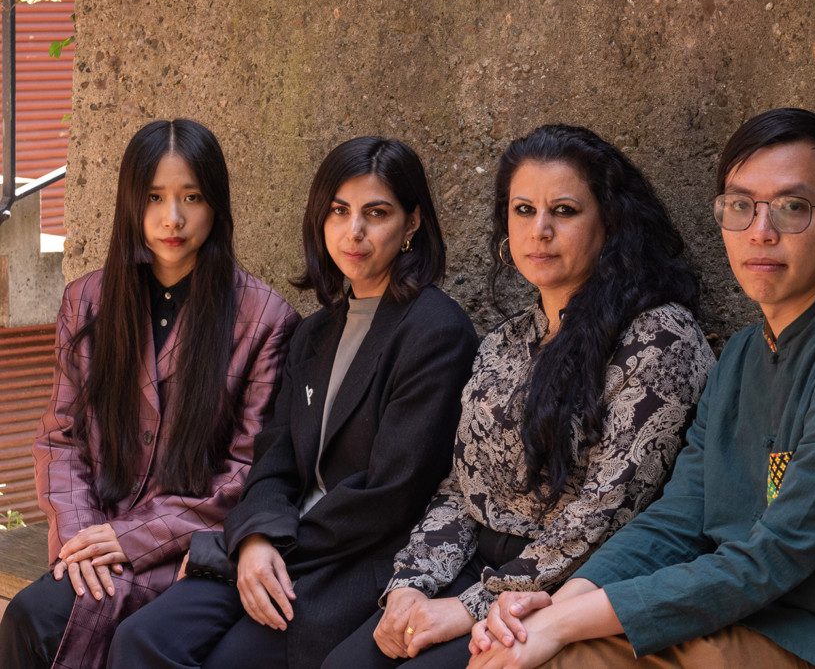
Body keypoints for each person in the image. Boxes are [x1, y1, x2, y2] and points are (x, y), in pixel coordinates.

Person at [468, 108, 815, 668]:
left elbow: (772, 557)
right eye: (741, 206)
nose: (760, 232)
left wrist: (560, 625)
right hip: (733, 620)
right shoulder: (742, 353)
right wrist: (555, 601)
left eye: (792, 208)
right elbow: (679, 518)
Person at [325, 124, 715, 668]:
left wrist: (467, 609)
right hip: (467, 568)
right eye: (524, 211)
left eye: (565, 211)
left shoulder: (659, 338)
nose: (541, 231)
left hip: (559, 589)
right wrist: (411, 586)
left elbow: (612, 510)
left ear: (610, 220)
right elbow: (460, 491)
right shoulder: (504, 344)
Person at [107, 136, 479, 669]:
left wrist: (258, 549)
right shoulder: (314, 332)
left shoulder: (436, 332)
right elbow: (274, 458)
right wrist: (255, 537)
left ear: (412, 223)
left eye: (376, 213)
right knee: (141, 640)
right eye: (338, 211)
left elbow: (390, 492)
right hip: (276, 547)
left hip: (353, 562)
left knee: (227, 662)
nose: (354, 232)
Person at [0, 119, 300, 669]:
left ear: (218, 204)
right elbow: (61, 439)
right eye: (155, 197)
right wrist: (82, 537)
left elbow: (245, 468)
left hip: (185, 548)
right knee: (29, 615)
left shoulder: (263, 318)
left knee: (130, 637)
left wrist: (130, 538)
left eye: (192, 197)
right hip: (94, 534)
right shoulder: (87, 301)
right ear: (130, 203)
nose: (173, 219)